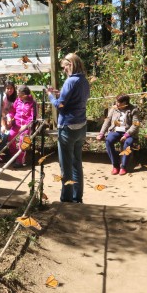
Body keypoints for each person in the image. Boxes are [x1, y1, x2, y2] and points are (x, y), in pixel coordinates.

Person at [45, 53, 90, 203]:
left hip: (68, 128)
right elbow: (76, 98)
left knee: (66, 166)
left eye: (65, 66)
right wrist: (60, 93)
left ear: (71, 65)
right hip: (81, 126)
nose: (64, 70)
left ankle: (66, 199)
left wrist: (51, 96)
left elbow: (60, 105)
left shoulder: (70, 81)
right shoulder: (83, 80)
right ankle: (78, 197)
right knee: (77, 163)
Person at [96, 94, 140, 176]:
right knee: (108, 141)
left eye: (119, 102)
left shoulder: (133, 109)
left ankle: (123, 166)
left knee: (128, 143)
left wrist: (127, 135)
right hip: (115, 130)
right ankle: (115, 165)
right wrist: (101, 133)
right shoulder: (114, 108)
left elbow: (135, 124)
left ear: (125, 102)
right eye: (116, 101)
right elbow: (107, 121)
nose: (117, 103)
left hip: (128, 132)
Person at [6, 85, 37, 168]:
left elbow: (33, 116)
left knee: (22, 142)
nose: (18, 95)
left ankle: (20, 160)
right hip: (16, 124)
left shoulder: (32, 102)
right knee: (10, 137)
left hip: (26, 126)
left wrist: (26, 126)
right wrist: (9, 117)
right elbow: (12, 111)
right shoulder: (18, 100)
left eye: (19, 94)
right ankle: (15, 156)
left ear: (25, 95)